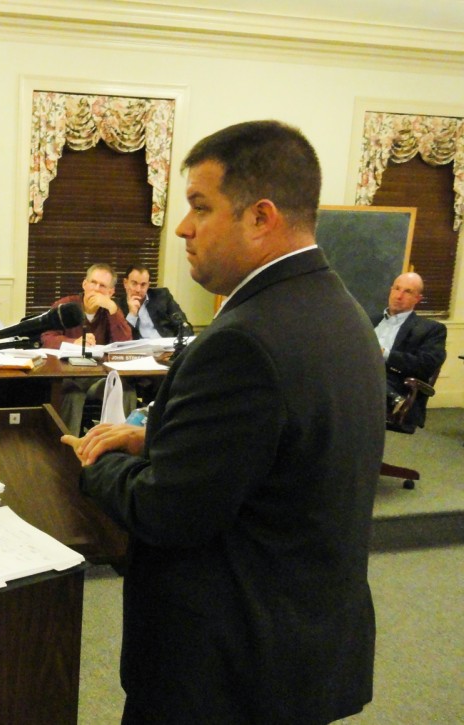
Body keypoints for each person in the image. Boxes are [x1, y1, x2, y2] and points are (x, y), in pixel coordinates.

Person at [62, 120, 384, 723]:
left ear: (260, 217)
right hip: (302, 644)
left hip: (224, 672)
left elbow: (166, 511)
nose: (182, 227)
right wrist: (154, 436)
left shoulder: (246, 340)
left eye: (200, 207)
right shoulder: (338, 309)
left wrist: (96, 461)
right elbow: (277, 445)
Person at [40, 263, 132, 434]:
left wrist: (113, 309)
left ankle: (120, 447)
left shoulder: (111, 311)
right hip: (68, 375)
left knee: (126, 389)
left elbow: (124, 344)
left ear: (111, 292)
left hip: (97, 377)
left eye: (103, 286)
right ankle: (67, 451)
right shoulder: (66, 306)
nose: (96, 289)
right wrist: (73, 342)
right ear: (84, 284)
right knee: (72, 394)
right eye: (93, 282)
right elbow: (47, 338)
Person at [372, 271, 447, 428]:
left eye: (408, 292)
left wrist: (384, 354)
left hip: (393, 384)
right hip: (355, 377)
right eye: (397, 289)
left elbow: (425, 365)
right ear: (391, 290)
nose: (399, 296)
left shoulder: (431, 329)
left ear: (418, 299)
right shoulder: (370, 321)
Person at [120, 264, 192, 339]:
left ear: (148, 285)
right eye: (134, 283)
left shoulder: (162, 296)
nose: (138, 289)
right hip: (140, 350)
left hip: (167, 346)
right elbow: (121, 338)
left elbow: (184, 326)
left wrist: (180, 345)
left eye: (143, 285)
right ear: (125, 283)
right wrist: (132, 314)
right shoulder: (118, 307)